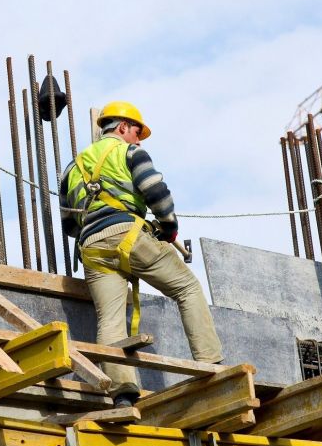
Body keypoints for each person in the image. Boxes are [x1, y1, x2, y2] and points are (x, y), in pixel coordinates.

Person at [59, 101, 223, 407]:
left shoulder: (72, 168)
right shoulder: (129, 152)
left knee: (109, 320)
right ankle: (211, 365)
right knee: (187, 288)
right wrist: (169, 227)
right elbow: (156, 192)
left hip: (92, 248)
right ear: (122, 127)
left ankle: (122, 393)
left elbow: (69, 224)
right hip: (130, 236)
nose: (138, 139)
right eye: (136, 132)